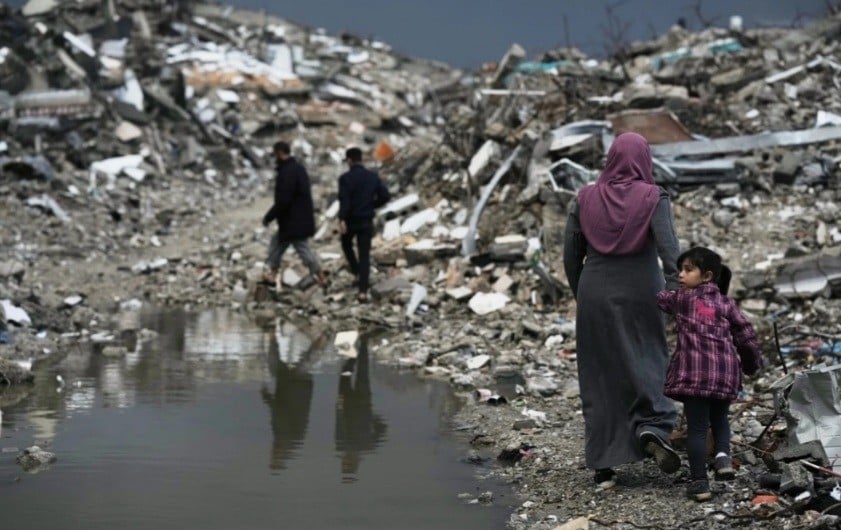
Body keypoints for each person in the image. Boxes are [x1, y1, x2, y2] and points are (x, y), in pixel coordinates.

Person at [563, 132, 682, 490]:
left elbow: (571, 256)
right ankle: (651, 427)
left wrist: (583, 294)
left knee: (599, 371)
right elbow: (671, 253)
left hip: (595, 287)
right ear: (643, 160)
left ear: (611, 159)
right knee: (647, 357)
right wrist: (674, 299)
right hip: (643, 289)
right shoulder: (653, 197)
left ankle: (603, 463)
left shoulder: (584, 198)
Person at [657, 247, 764, 501]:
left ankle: (699, 483)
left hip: (695, 375)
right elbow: (746, 336)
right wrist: (750, 365)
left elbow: (659, 298)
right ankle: (723, 458)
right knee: (720, 419)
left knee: (696, 428)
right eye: (680, 269)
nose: (680, 275)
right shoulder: (727, 303)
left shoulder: (682, 299)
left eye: (687, 270)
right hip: (725, 373)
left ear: (706, 276)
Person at [262, 141, 327, 288]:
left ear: (279, 153)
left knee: (302, 249)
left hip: (292, 221)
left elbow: (284, 199)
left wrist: (269, 217)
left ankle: (321, 276)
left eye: (275, 155)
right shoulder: (297, 168)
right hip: (296, 220)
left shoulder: (287, 172)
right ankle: (272, 274)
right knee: (276, 245)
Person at [337, 147, 391, 302]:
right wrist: (371, 205)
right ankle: (362, 291)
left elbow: (344, 201)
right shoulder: (372, 177)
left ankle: (356, 270)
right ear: (361, 159)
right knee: (364, 255)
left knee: (346, 244)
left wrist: (342, 219)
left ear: (349, 160)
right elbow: (385, 196)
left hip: (351, 220)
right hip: (366, 220)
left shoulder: (345, 179)